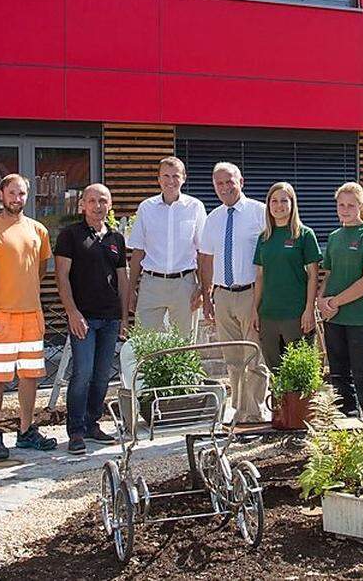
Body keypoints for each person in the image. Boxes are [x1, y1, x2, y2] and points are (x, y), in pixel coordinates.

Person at [0, 174, 58, 460]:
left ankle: (26, 431)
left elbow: (39, 268)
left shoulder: (38, 230)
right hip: (1, 314)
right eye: (12, 193)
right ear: (1, 195)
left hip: (31, 314)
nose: (17, 198)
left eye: (22, 193)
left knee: (30, 376)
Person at [54, 184, 130, 455]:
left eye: (103, 201)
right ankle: (75, 430)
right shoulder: (70, 235)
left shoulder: (116, 239)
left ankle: (92, 424)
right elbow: (61, 277)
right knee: (82, 374)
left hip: (110, 318)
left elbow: (122, 278)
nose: (98, 206)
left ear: (109, 205)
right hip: (83, 318)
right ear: (82, 205)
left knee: (100, 377)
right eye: (92, 201)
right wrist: (72, 312)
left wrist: (124, 317)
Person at [199, 162, 270, 423]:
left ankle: (256, 411)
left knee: (254, 354)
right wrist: (207, 297)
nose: (225, 187)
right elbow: (206, 259)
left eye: (230, 181)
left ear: (241, 181)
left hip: (251, 293)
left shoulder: (260, 212)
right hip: (223, 295)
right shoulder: (213, 218)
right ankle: (240, 410)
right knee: (233, 359)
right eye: (219, 183)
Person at [317, 182, 363, 419]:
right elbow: (328, 274)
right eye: (341, 205)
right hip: (334, 318)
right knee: (338, 375)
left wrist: (334, 303)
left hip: (360, 318)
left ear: (360, 206)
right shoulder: (335, 237)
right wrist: (320, 300)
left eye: (350, 205)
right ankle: (348, 424)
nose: (345, 209)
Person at [127, 157, 205, 336]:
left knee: (184, 345)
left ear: (184, 178)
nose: (171, 181)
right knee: (146, 344)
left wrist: (202, 288)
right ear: (158, 179)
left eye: (176, 176)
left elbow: (203, 252)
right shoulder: (146, 208)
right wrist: (131, 290)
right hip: (151, 284)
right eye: (166, 176)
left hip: (184, 285)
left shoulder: (195, 207)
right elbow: (138, 252)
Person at [251, 182, 321, 372]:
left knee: (300, 373)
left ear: (292, 204)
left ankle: (300, 404)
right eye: (273, 201)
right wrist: (255, 310)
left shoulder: (305, 235)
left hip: (296, 315)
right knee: (275, 373)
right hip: (268, 316)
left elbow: (313, 276)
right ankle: (279, 404)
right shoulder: (264, 238)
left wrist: (309, 310)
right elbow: (260, 276)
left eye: (284, 200)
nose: (278, 205)